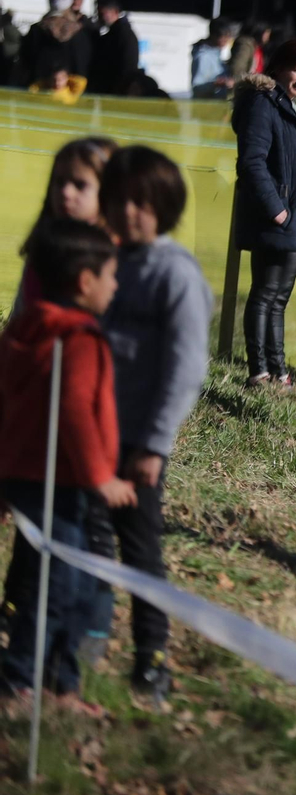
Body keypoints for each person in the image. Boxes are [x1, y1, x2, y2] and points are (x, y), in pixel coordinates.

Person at [0, 218, 137, 710]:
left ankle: (63, 684)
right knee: (57, 588)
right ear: (85, 282)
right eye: (111, 275)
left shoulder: (23, 328)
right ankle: (17, 682)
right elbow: (76, 412)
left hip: (29, 478)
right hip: (58, 483)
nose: (116, 284)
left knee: (67, 583)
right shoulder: (77, 340)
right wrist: (101, 476)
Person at [91, 145, 212, 700]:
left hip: (137, 444)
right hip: (87, 437)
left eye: (141, 202)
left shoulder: (175, 273)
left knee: (139, 552)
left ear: (164, 206)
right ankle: (79, 637)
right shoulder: (106, 264)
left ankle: (152, 659)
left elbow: (185, 368)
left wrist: (155, 443)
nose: (129, 212)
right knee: (80, 539)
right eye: (118, 201)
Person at [232, 42, 296, 387]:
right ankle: (259, 370)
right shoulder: (263, 104)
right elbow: (251, 162)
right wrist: (277, 210)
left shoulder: (295, 109)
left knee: (278, 298)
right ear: (279, 68)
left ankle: (277, 371)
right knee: (265, 294)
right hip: (281, 217)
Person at [13, 137, 117, 316]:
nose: (66, 193)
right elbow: (20, 316)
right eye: (60, 182)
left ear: (108, 191)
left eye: (80, 185)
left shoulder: (117, 257)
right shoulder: (42, 250)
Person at [87, 0, 140, 96]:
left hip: (115, 89)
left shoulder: (123, 35)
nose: (101, 17)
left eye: (103, 13)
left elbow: (128, 65)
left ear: (115, 12)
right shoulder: (115, 34)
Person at [190, 19, 237, 99]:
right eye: (224, 36)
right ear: (213, 35)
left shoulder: (217, 53)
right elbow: (197, 88)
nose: (226, 40)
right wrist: (217, 84)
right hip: (205, 108)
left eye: (228, 36)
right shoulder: (203, 57)